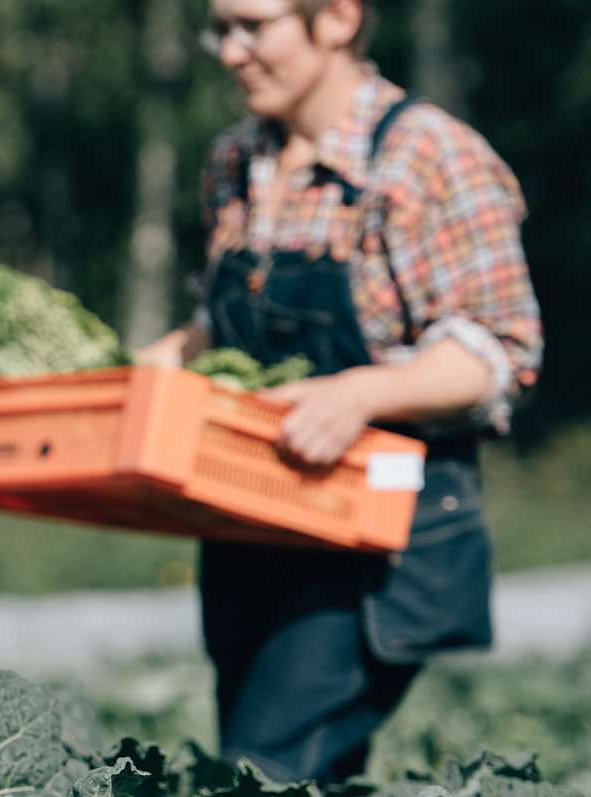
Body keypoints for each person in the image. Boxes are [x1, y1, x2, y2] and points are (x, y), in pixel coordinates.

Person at [137, 0, 543, 785]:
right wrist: (120, 376)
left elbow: (499, 350)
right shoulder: (232, 161)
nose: (230, 52)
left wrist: (358, 394)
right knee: (289, 773)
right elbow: (218, 329)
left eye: (253, 26)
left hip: (377, 543)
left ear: (337, 19)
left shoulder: (429, 157)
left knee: (259, 770)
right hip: (249, 525)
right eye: (219, 29)